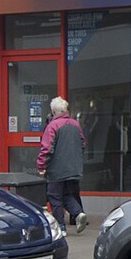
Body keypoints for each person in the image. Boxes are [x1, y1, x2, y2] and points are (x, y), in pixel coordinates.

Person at [35, 96, 87, 232]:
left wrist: (41, 166)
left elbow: (47, 149)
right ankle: (78, 213)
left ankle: (61, 226)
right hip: (74, 168)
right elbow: (83, 144)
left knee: (54, 196)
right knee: (67, 194)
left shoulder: (52, 126)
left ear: (53, 111)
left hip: (57, 169)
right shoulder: (76, 124)